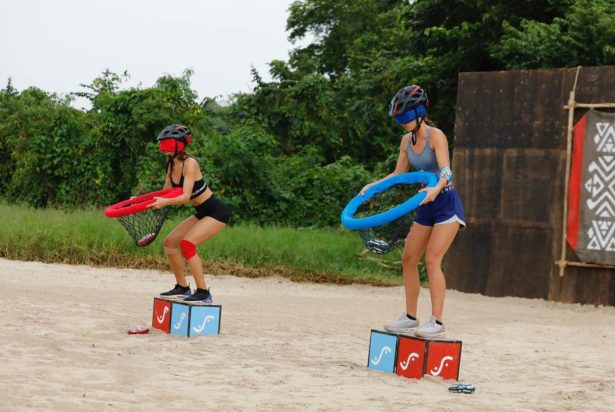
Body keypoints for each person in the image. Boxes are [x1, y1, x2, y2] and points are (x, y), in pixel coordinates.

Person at [361, 85, 465, 338]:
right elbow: (399, 174)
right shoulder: (406, 141)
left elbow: (446, 171)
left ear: (420, 112)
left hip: (445, 201)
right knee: (408, 257)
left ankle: (437, 322)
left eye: (406, 117)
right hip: (424, 203)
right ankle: (410, 317)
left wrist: (436, 188)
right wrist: (373, 186)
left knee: (432, 259)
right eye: (399, 118)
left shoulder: (436, 136)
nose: (402, 123)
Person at [149, 124, 229, 303]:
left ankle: (203, 292)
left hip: (216, 212)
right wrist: (139, 201)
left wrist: (165, 202)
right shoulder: (171, 164)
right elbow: (165, 193)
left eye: (167, 142)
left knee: (187, 244)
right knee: (170, 243)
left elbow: (185, 197)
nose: (163, 146)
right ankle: (182, 287)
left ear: (179, 144)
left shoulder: (190, 163)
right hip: (202, 211)